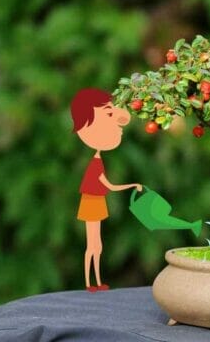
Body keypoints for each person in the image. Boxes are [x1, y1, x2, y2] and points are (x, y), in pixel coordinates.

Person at [71, 88, 142, 292]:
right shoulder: (96, 163)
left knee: (96, 246)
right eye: (109, 114)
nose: (121, 121)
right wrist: (131, 186)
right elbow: (108, 185)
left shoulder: (98, 160)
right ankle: (90, 283)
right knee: (93, 246)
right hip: (92, 202)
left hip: (96, 202)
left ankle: (96, 282)